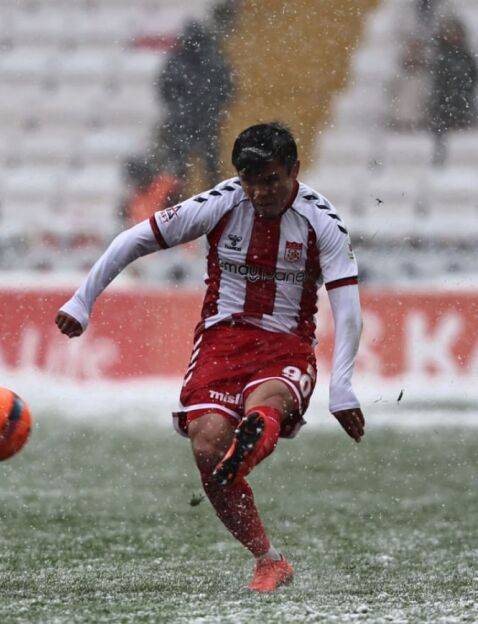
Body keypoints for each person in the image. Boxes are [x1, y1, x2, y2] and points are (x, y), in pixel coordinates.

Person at [55, 123, 365, 592]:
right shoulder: (222, 202)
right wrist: (82, 300)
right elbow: (134, 239)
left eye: (271, 180)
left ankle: (248, 444)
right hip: (222, 342)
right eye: (249, 180)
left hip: (286, 344)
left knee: (269, 401)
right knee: (206, 446)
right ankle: (268, 559)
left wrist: (341, 386)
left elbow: (347, 306)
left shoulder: (321, 220)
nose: (259, 192)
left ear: (294, 171)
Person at [157, 20, 233, 189]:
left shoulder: (211, 61)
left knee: (210, 168)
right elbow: (165, 89)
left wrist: (212, 109)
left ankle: (214, 197)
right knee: (179, 169)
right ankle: (178, 198)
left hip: (203, 122)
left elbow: (226, 88)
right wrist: (179, 109)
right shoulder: (179, 62)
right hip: (184, 123)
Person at [427, 14, 477, 165]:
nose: (453, 36)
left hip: (462, 98)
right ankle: (439, 157)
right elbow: (435, 81)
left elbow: (472, 77)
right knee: (441, 126)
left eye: (455, 33)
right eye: (450, 32)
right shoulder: (439, 55)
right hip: (442, 101)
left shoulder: (466, 56)